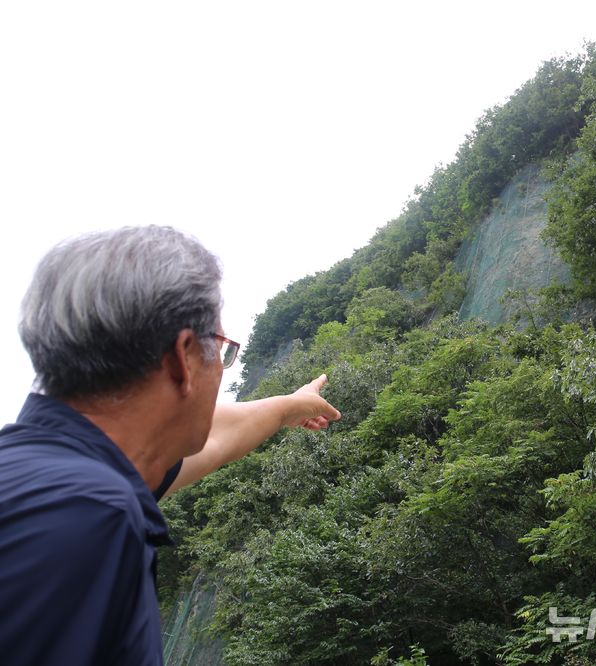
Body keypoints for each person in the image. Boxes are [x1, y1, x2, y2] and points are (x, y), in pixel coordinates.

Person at [0, 225, 341, 665]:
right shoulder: (88, 516)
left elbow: (214, 435)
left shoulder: (48, 469)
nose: (223, 369)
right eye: (223, 349)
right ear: (183, 356)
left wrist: (287, 406)